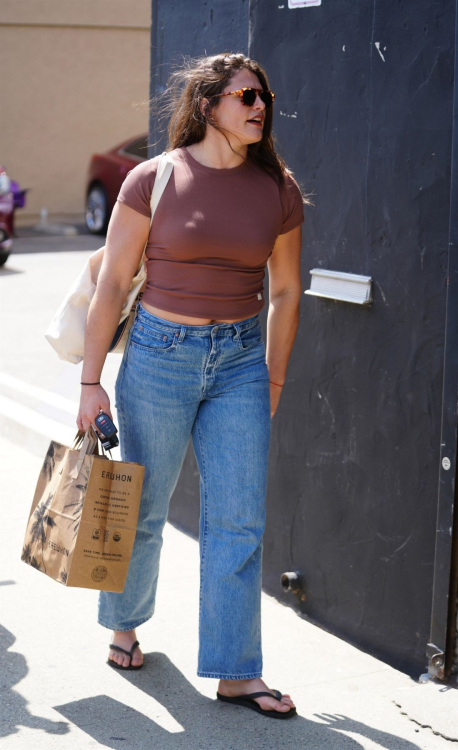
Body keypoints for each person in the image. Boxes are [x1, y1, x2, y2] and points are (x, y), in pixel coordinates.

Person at [77, 52, 307, 720]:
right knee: (143, 501)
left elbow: (288, 291)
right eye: (245, 95)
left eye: (264, 95)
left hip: (238, 361)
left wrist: (275, 375)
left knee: (239, 518)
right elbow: (112, 284)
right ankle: (124, 623)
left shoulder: (278, 190)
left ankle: (237, 671)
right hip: (159, 354)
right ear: (208, 105)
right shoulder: (154, 179)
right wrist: (91, 383)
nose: (259, 104)